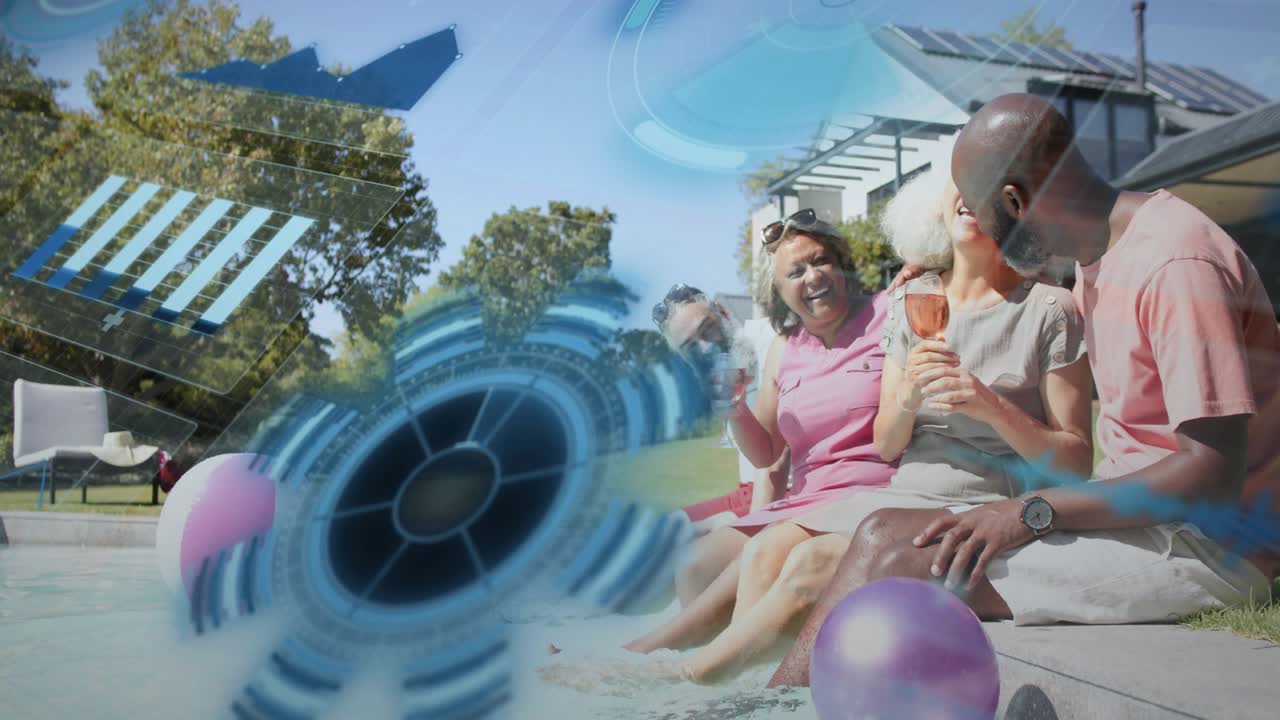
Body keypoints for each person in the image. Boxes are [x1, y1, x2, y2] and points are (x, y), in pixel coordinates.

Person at [768, 93, 1280, 688]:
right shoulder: (1099, 252)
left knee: (901, 566)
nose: (977, 230)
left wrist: (1030, 512)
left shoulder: (1176, 263)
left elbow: (1210, 473)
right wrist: (922, 275)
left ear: (1014, 199)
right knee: (881, 529)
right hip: (1137, 519)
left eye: (980, 214)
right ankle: (780, 702)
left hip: (1212, 545)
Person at [544, 210, 898, 687]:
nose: (811, 277)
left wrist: (921, 271)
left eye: (821, 262)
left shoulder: (888, 312)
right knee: (697, 558)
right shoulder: (788, 347)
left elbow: (773, 474)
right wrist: (734, 407)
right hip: (801, 497)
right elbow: (769, 449)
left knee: (742, 551)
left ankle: (666, 659)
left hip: (851, 495)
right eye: (795, 271)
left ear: (841, 263)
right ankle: (698, 660)